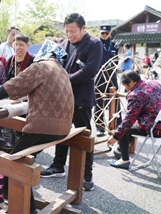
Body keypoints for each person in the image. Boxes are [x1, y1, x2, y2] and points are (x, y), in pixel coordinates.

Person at [0, 40, 73, 214]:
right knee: (18, 159)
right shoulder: (61, 70)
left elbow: (13, 85)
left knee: (14, 163)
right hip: (64, 127)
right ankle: (12, 197)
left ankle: (26, 209)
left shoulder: (41, 67)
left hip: (45, 127)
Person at [40, 13, 102, 192]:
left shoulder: (94, 44)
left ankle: (86, 174)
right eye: (67, 31)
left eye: (73, 31)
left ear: (83, 28)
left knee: (84, 137)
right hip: (62, 97)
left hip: (82, 98)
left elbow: (90, 70)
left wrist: (64, 80)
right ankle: (58, 166)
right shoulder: (64, 44)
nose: (69, 35)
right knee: (61, 131)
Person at [107, 70, 161, 169]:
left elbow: (129, 119)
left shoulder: (136, 94)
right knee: (133, 124)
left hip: (156, 130)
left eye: (126, 86)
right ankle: (119, 149)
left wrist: (115, 137)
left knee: (124, 128)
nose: (127, 89)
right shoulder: (154, 83)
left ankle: (124, 160)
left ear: (132, 81)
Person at [94, 24, 121, 136]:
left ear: (110, 33)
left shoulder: (114, 45)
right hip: (100, 76)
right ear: (99, 33)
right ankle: (100, 128)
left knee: (116, 101)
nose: (104, 35)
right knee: (99, 102)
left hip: (112, 76)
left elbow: (117, 59)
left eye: (107, 33)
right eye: (102, 33)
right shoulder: (95, 44)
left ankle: (118, 125)